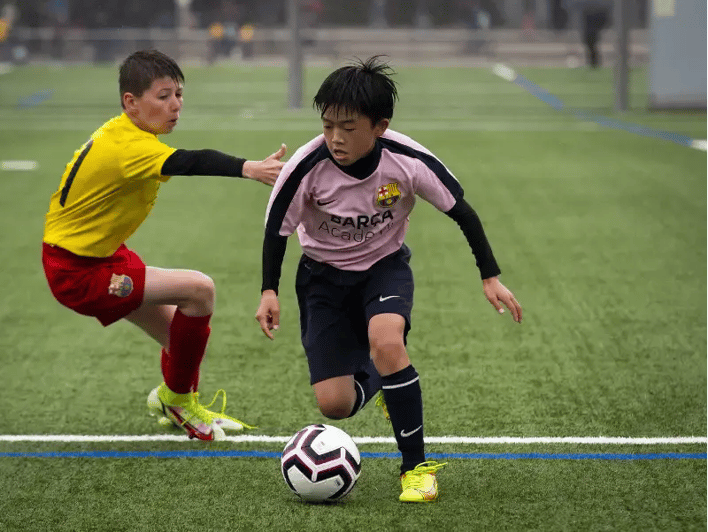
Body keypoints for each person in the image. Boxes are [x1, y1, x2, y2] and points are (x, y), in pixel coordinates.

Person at [254, 57, 522, 502]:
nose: (335, 137)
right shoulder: (305, 167)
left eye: (348, 126)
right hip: (321, 279)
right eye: (327, 125)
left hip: (384, 268)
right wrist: (268, 290)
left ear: (380, 126)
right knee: (334, 405)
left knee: (388, 343)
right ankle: (384, 381)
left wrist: (489, 276)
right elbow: (275, 230)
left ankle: (415, 468)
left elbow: (462, 212)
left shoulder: (408, 159)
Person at [42, 49, 287, 441]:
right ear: (131, 102)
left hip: (98, 256)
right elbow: (190, 161)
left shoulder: (127, 133)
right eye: (163, 96)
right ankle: (177, 402)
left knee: (181, 340)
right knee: (199, 290)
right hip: (77, 272)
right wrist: (250, 168)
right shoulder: (129, 147)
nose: (175, 105)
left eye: (178, 94)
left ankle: (177, 400)